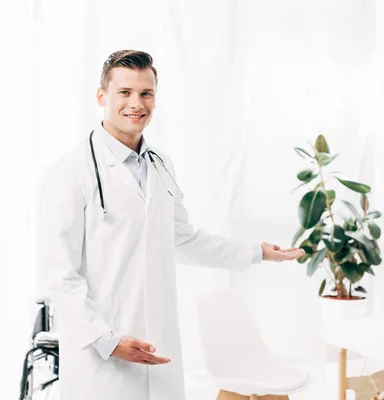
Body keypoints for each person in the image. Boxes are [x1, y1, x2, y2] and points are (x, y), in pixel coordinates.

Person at [38, 49, 304, 400]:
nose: (137, 103)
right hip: (101, 354)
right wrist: (107, 340)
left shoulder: (160, 164)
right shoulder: (70, 173)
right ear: (102, 96)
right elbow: (58, 275)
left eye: (146, 93)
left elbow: (183, 238)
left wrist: (257, 253)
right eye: (125, 92)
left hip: (157, 341)